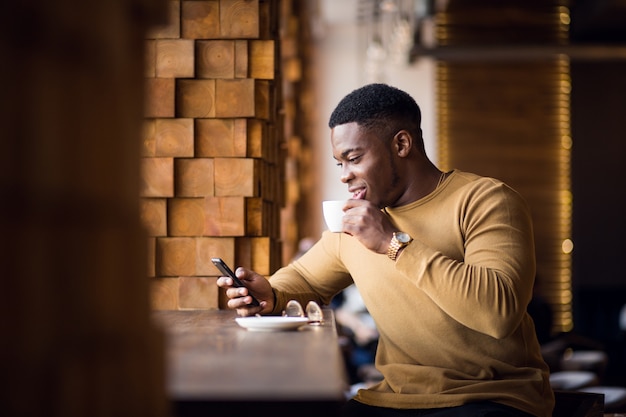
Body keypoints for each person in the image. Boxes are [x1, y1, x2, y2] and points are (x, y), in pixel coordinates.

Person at [217, 83, 554, 417]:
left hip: (491, 398)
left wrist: (392, 243)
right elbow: (305, 276)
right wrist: (269, 293)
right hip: (394, 399)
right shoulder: (355, 222)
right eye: (340, 164)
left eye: (354, 158)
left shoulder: (486, 201)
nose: (345, 177)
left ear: (402, 144)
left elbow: (499, 312)